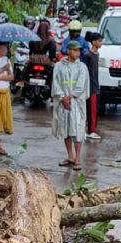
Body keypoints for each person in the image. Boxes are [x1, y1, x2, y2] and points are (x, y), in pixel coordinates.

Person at [52, 38, 89, 169]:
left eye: (79, 50)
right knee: (66, 129)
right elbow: (56, 83)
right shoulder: (59, 66)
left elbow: (81, 86)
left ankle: (78, 158)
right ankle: (70, 156)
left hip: (76, 103)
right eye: (75, 50)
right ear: (68, 51)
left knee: (77, 130)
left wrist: (69, 97)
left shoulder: (82, 67)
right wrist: (62, 98)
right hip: (64, 103)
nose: (77, 53)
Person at [84, 33, 103, 140]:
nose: (101, 43)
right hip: (90, 86)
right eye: (99, 41)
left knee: (95, 108)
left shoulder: (97, 54)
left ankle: (92, 129)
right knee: (92, 109)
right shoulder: (88, 55)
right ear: (94, 42)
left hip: (95, 85)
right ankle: (91, 131)